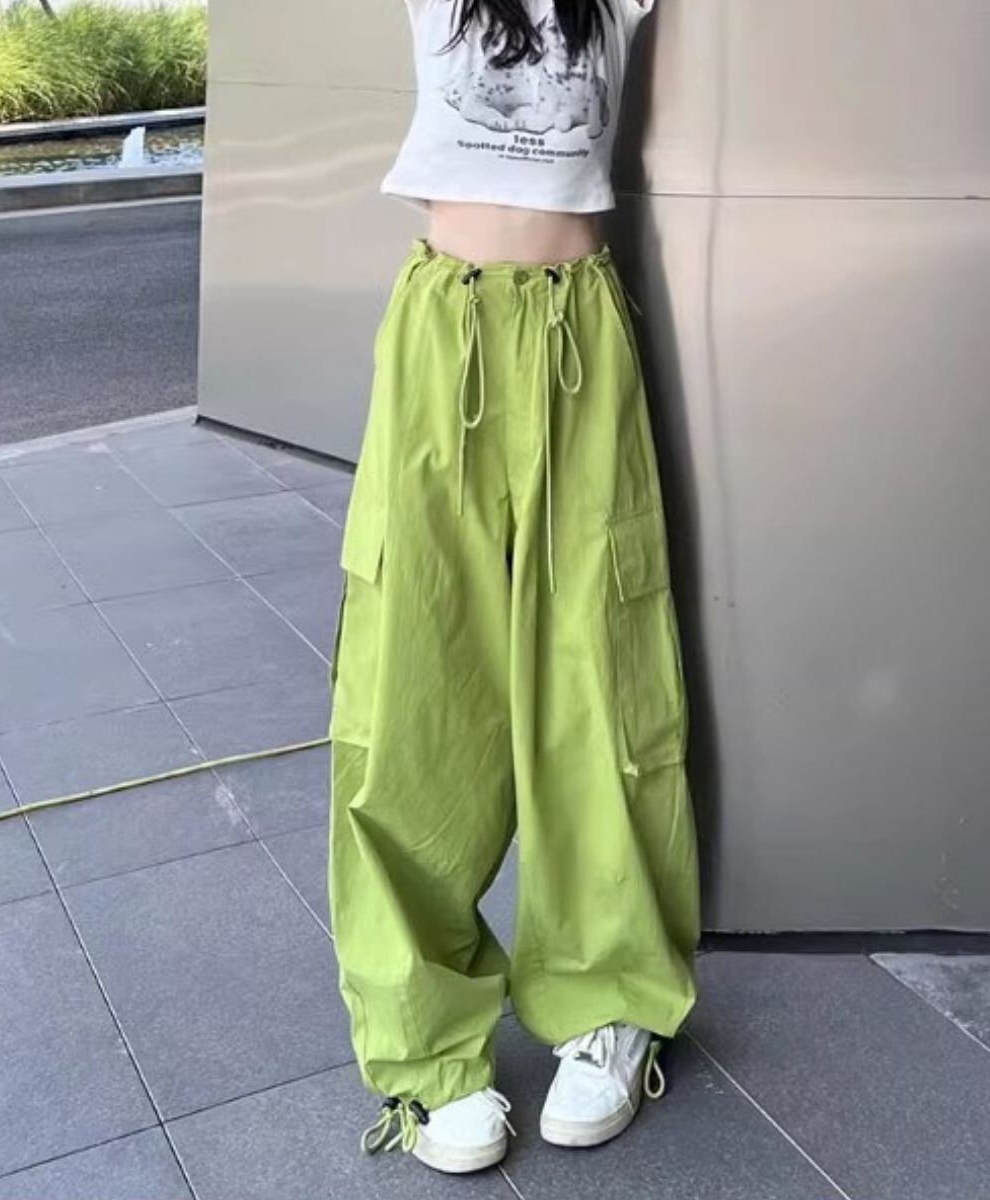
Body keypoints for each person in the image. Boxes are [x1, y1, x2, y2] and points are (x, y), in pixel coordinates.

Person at [326, 0, 700, 1175]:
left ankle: (613, 997)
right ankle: (428, 1046)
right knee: (414, 686)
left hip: (583, 334)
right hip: (445, 328)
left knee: (605, 676)